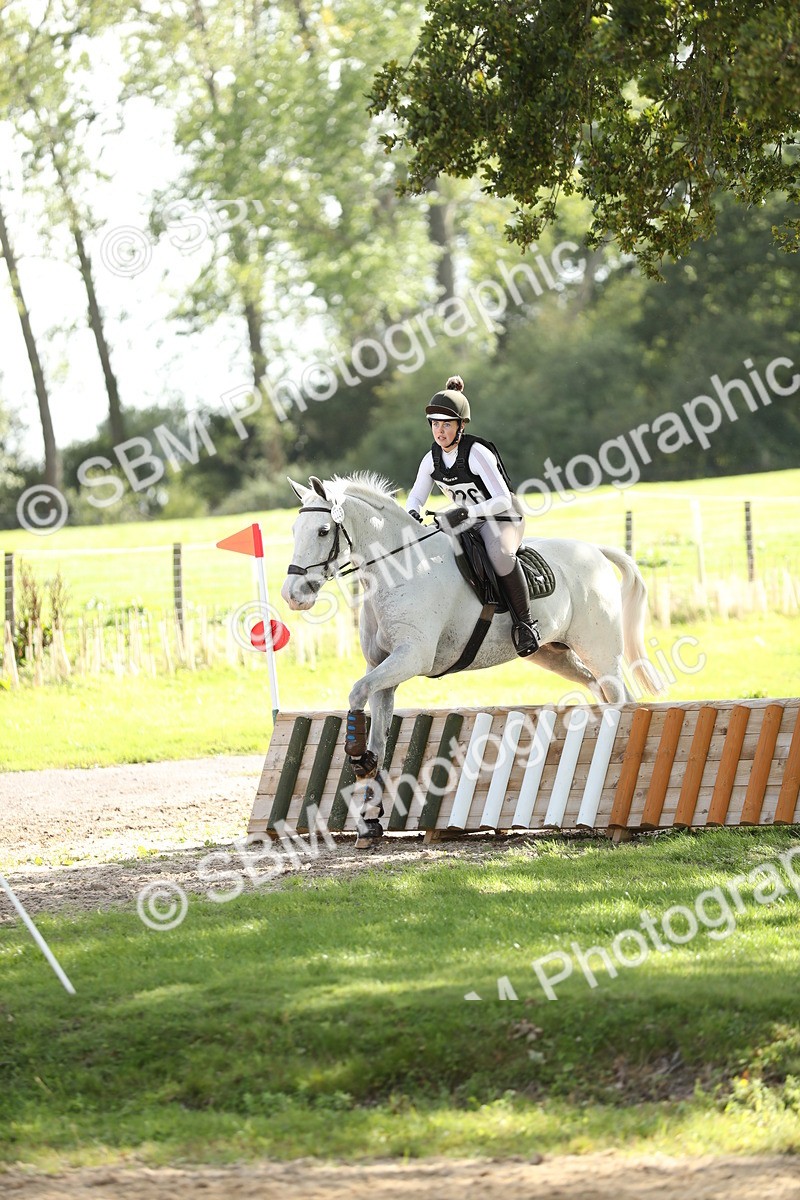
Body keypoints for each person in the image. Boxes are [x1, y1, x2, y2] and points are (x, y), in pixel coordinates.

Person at [406, 374, 540, 656]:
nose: (440, 431)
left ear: (461, 425)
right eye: (435, 424)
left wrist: (467, 512)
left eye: (446, 424)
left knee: (500, 556)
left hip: (503, 518)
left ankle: (526, 625)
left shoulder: (477, 452)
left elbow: (503, 499)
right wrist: (412, 512)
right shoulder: (431, 458)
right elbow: (417, 495)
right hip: (467, 521)